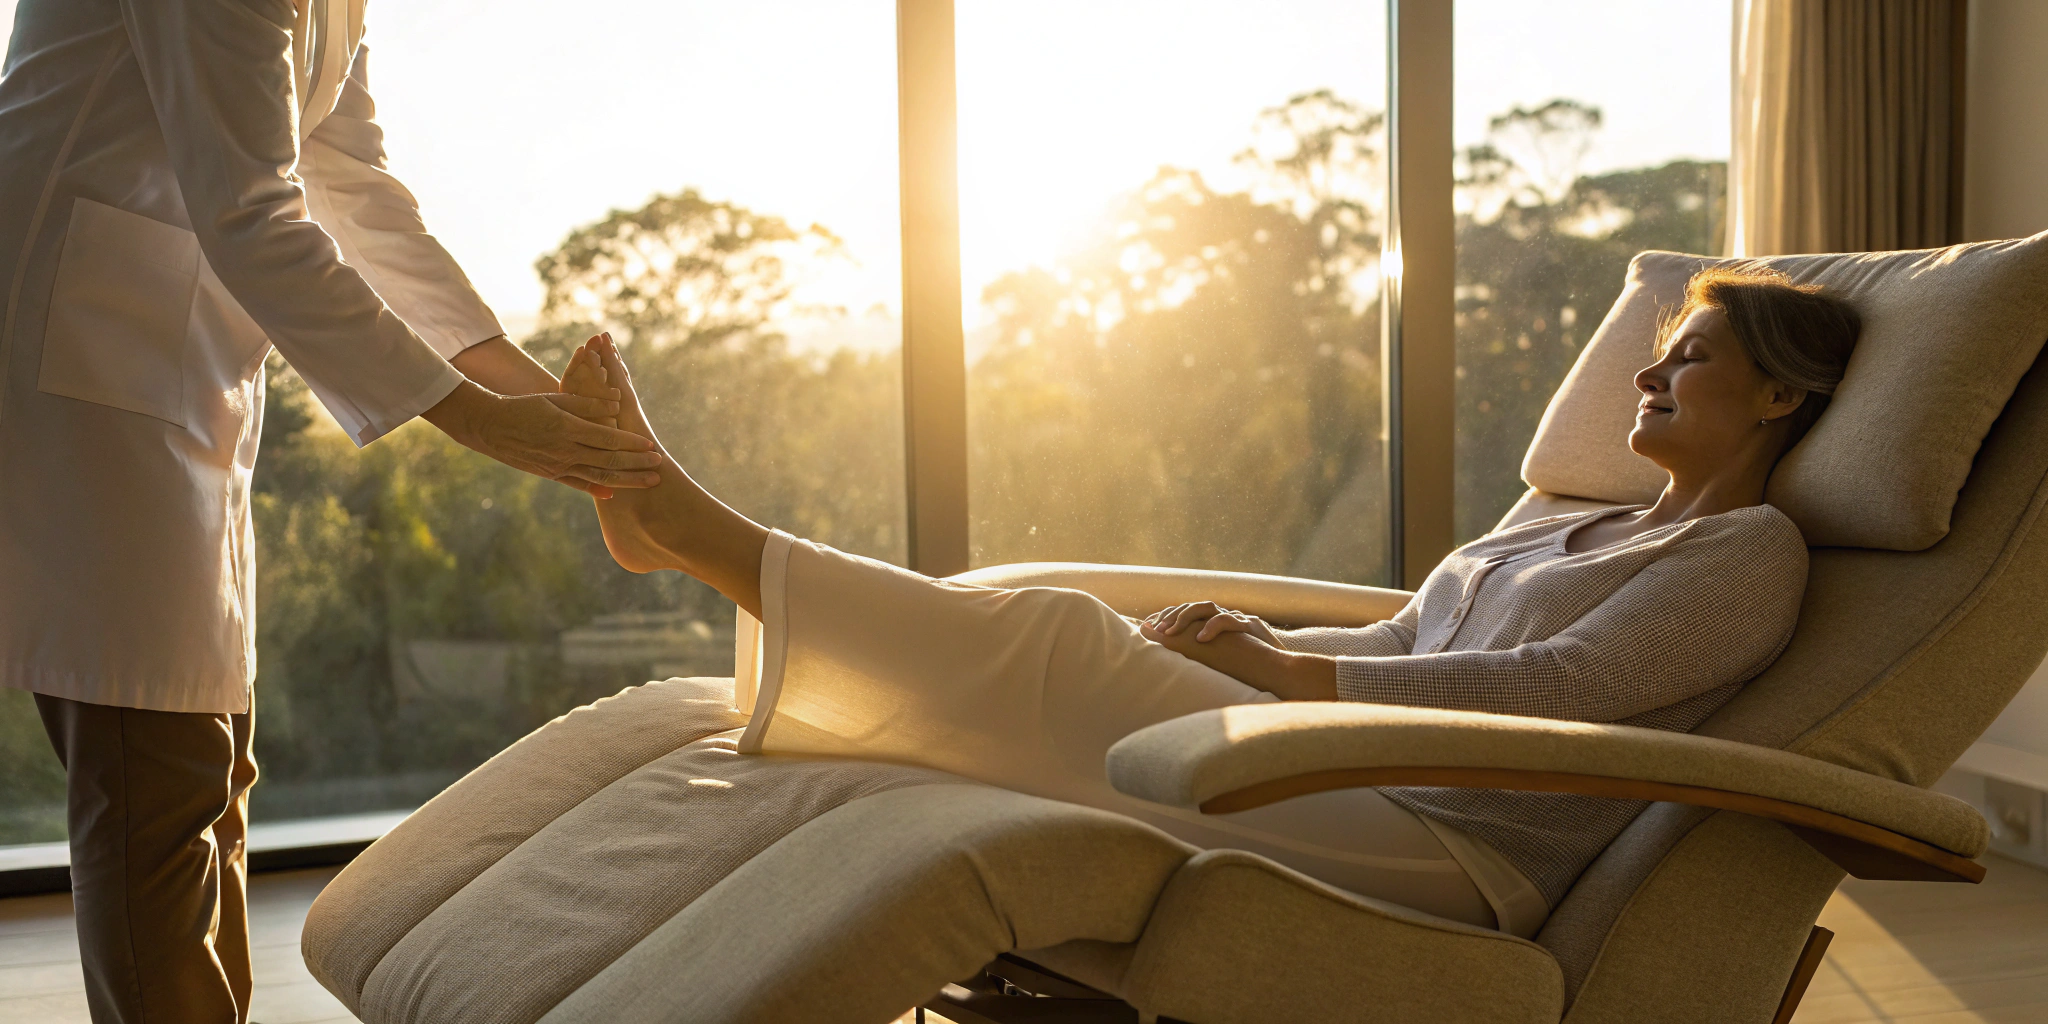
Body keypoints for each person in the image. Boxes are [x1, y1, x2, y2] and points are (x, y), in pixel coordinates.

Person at [553, 264, 1859, 939]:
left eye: (1689, 358)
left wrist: (1293, 682)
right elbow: (1408, 634)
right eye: (1656, 351)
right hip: (1359, 775)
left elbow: (1562, 697)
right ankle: (712, 550)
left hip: (1454, 845)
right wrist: (1257, 647)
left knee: (1057, 638)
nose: (1644, 376)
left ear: (1781, 397)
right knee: (1072, 626)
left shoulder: (1749, 555)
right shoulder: (1585, 524)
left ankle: (696, 533)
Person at [0, 2, 660, 1021]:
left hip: (159, 361)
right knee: (157, 791)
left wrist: (544, 414)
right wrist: (484, 425)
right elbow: (251, 213)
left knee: (209, 786)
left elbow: (355, 193)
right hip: (67, 365)